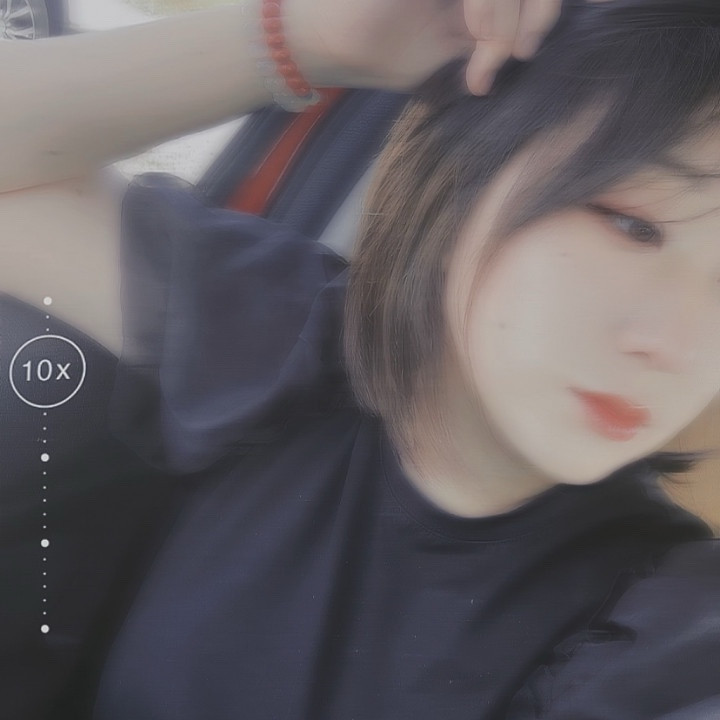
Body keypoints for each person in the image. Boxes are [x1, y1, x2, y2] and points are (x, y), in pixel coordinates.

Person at [1, 0, 720, 718]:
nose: (678, 345)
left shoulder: (662, 630)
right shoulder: (280, 336)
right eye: (634, 224)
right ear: (464, 171)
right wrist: (310, 38)